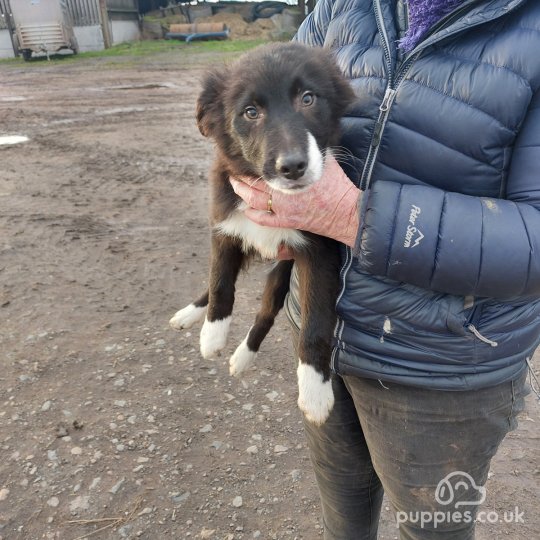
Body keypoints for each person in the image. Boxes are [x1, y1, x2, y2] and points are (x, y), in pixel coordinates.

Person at [230, 0, 540, 538]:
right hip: (324, 335)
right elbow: (275, 108)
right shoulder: (341, 6)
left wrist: (355, 217)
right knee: (343, 516)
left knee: (430, 529)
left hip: (441, 363)